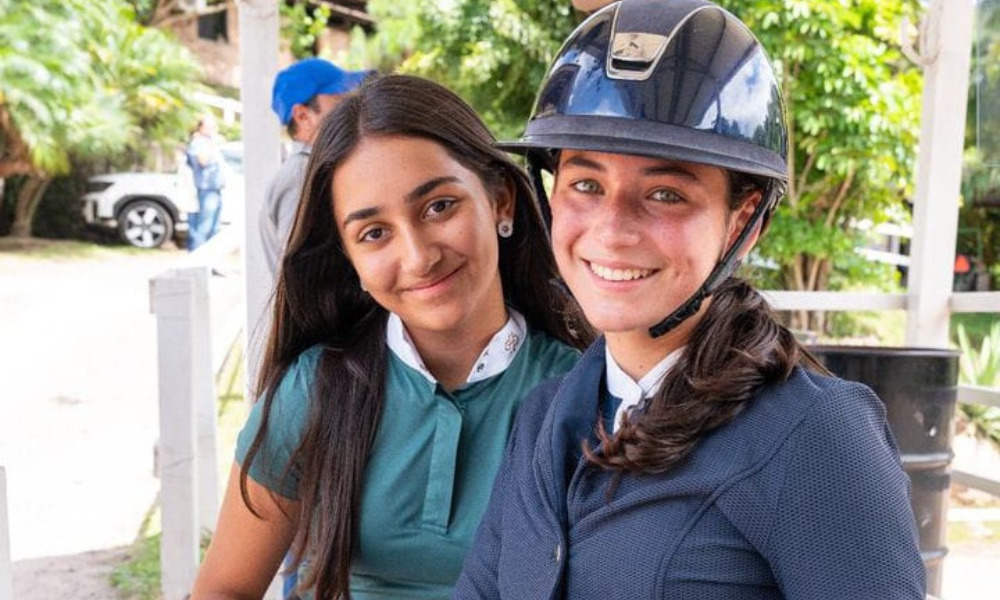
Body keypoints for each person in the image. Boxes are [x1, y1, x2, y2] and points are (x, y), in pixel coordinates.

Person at [453, 1, 926, 598]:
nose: (611, 229)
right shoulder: (542, 419)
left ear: (743, 222)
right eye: (585, 184)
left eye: (666, 194)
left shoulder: (816, 437)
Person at [191, 74, 591, 600]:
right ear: (349, 257)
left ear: (500, 201)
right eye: (374, 233)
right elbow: (224, 588)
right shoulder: (311, 391)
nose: (419, 256)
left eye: (439, 206)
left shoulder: (586, 398)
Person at [261, 58, 372, 277]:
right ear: (303, 116)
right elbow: (307, 272)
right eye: (341, 102)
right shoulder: (302, 176)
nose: (353, 109)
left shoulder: (317, 168)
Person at [186, 114, 227, 251]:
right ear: (201, 128)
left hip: (215, 188)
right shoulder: (198, 143)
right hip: (206, 190)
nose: (213, 129)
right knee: (204, 227)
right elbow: (203, 161)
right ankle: (196, 262)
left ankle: (210, 264)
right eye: (209, 126)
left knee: (214, 229)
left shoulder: (208, 143)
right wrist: (213, 144)